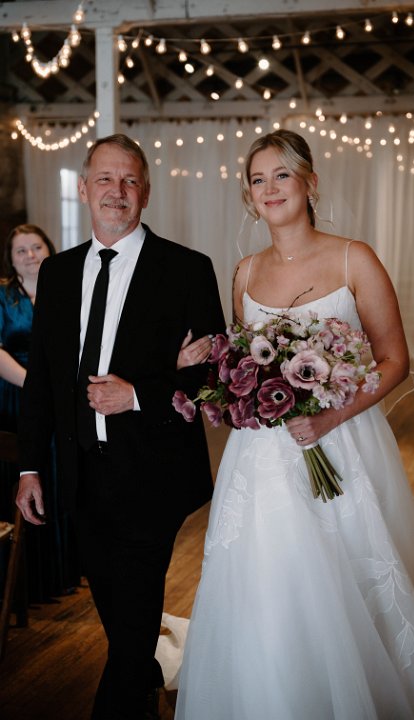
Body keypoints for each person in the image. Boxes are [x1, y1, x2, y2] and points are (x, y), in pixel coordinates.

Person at [174, 129, 414, 719]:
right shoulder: (244, 273)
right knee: (267, 577)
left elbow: (394, 360)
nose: (270, 189)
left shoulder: (353, 258)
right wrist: (209, 364)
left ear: (309, 183)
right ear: (248, 196)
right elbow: (247, 363)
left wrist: (330, 415)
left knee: (352, 573)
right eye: (258, 180)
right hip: (262, 456)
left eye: (281, 175)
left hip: (342, 441)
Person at [15, 134, 225, 719]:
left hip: (153, 471)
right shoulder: (58, 273)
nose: (117, 191)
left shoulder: (186, 269)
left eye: (130, 180)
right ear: (84, 189)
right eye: (105, 179)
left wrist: (138, 395)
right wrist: (29, 466)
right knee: (116, 604)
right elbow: (42, 381)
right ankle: (145, 675)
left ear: (146, 193)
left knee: (133, 609)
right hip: (81, 472)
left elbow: (212, 376)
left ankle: (121, 704)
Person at [0, 224, 80, 602]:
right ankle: (23, 583)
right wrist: (35, 385)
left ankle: (61, 574)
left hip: (61, 399)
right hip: (14, 397)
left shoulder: (68, 290)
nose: (30, 255)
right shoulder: (2, 296)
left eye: (36, 247)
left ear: (50, 249)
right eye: (21, 250)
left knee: (57, 477)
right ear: (11, 259)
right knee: (21, 478)